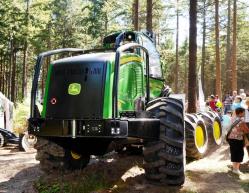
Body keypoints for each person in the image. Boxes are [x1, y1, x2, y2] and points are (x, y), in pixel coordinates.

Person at [227, 106, 249, 175]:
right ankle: (236, 169)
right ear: (241, 113)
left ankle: (234, 168)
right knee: (239, 154)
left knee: (233, 153)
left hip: (231, 138)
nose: (245, 114)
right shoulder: (241, 121)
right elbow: (246, 130)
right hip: (238, 139)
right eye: (244, 113)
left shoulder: (233, 119)